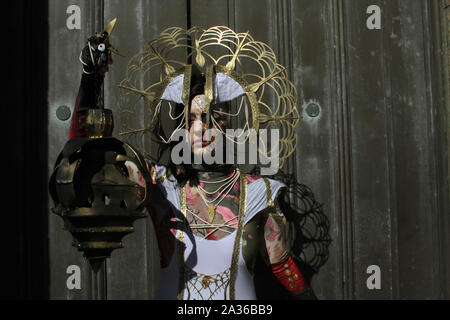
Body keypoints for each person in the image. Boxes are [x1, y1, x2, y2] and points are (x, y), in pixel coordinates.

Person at [70, 27, 318, 300]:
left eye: (214, 118)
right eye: (192, 119)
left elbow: (282, 265)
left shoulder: (260, 193)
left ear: (229, 127)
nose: (202, 128)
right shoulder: (162, 185)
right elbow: (88, 158)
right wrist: (90, 80)